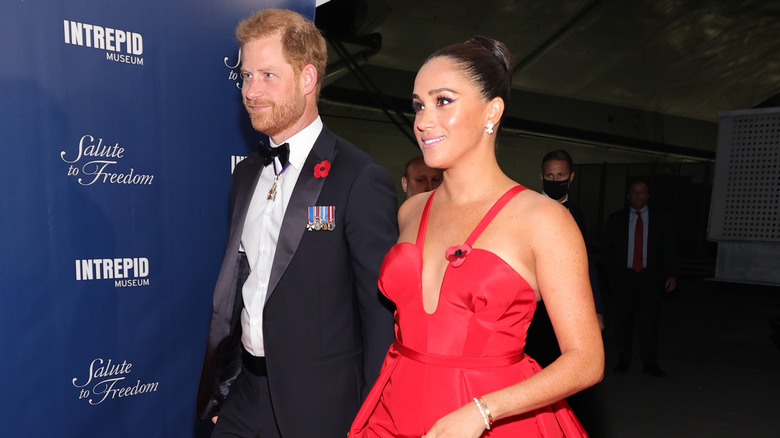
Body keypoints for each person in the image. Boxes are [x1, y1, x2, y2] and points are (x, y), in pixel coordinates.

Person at [348, 36, 603, 438]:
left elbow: (587, 359)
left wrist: (483, 412)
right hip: (395, 413)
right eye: (418, 105)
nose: (422, 120)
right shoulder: (410, 211)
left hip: (494, 421)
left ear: (492, 111)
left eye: (443, 100)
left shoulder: (543, 220)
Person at [196, 9, 398, 438]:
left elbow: (380, 314)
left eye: (267, 75)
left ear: (307, 80)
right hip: (243, 393)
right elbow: (243, 286)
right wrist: (224, 387)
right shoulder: (246, 174)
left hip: (319, 408)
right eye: (246, 76)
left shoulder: (359, 178)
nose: (250, 90)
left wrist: (370, 419)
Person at [526, 150, 605, 366]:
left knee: (567, 366)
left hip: (572, 306)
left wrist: (596, 309)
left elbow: (588, 264)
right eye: (550, 176)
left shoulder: (580, 215)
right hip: (533, 307)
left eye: (560, 175)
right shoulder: (525, 211)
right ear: (541, 177)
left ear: (571, 178)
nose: (555, 180)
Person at [601, 178, 678, 377]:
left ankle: (650, 363)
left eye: (642, 192)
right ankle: (623, 360)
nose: (638, 195)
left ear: (648, 195)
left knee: (649, 322)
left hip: (650, 279)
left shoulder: (661, 218)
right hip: (623, 279)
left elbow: (669, 247)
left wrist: (672, 273)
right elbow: (606, 250)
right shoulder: (616, 219)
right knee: (622, 322)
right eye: (634, 192)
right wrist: (611, 277)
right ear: (628, 196)